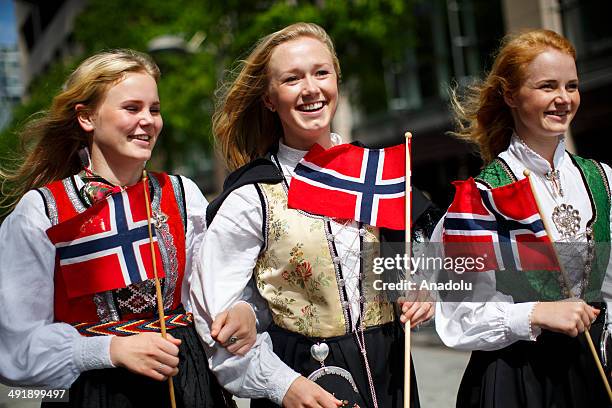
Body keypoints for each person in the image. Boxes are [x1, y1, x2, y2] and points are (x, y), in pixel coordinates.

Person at [190, 22, 437, 408]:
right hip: (303, 382)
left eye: (321, 73)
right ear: (270, 99)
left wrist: (423, 289)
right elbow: (213, 314)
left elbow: (421, 260)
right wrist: (282, 385)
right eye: (292, 78)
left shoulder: (378, 174)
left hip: (393, 378)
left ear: (337, 79)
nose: (311, 89)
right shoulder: (253, 195)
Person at [0, 49, 247, 407]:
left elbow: (211, 294)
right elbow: (14, 347)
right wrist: (109, 349)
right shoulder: (41, 212)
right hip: (97, 392)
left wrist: (239, 311)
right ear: (86, 117)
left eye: (154, 109)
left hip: (188, 384)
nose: (148, 120)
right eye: (132, 108)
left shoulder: (182, 193)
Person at [435, 29, 612, 407]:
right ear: (510, 95)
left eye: (572, 85)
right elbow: (458, 318)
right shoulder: (480, 197)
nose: (563, 99)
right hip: (518, 378)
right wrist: (535, 312)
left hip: (594, 368)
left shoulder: (604, 180)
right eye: (547, 86)